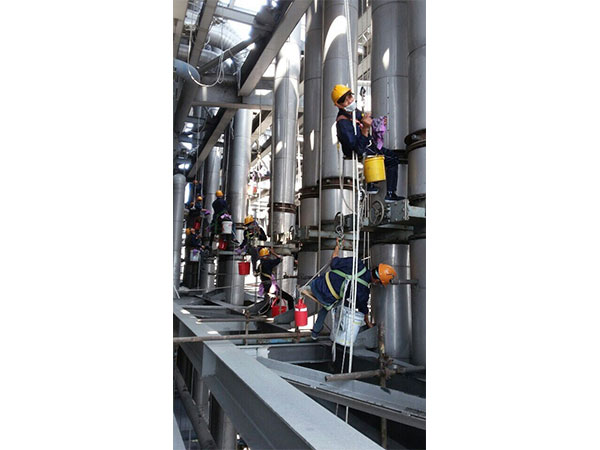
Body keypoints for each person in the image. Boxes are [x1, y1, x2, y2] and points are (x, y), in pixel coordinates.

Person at [301, 240, 397, 340]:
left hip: (316, 285)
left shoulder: (356, 263)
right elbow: (363, 309)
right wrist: (367, 322)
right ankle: (317, 333)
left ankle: (316, 329)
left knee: (336, 293)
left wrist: (337, 247)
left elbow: (334, 263)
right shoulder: (363, 292)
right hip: (326, 300)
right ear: (377, 281)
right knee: (342, 303)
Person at [331, 84, 404, 203]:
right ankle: (389, 193)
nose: (350, 101)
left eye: (350, 97)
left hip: (365, 144)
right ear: (338, 105)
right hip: (359, 148)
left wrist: (376, 122)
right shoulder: (343, 124)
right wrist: (365, 129)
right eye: (345, 100)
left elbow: (363, 117)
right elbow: (358, 149)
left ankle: (371, 184)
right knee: (392, 159)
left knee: (377, 152)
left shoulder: (353, 112)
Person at [257, 248, 294, 312]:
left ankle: (262, 311)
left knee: (277, 299)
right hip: (271, 287)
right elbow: (280, 259)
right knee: (290, 298)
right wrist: (273, 253)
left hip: (266, 286)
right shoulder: (268, 262)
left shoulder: (260, 265)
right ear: (267, 255)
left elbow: (257, 272)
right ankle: (291, 313)